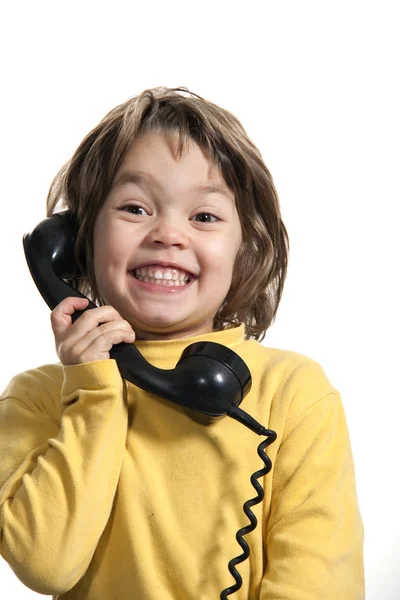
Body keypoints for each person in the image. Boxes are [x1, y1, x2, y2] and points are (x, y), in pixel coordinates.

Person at [0, 87, 364, 599]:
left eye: (205, 216)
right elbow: (46, 565)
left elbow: (321, 579)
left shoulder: (293, 394)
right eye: (134, 208)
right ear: (75, 241)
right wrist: (95, 392)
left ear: (246, 247)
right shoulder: (37, 399)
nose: (169, 234)